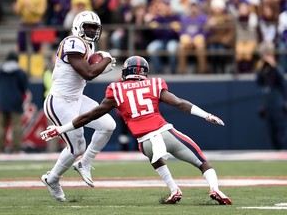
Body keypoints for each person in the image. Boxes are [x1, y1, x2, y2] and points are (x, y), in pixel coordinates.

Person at [40, 56, 232, 205]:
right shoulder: (154, 84)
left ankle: (174, 189)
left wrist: (60, 129)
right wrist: (205, 114)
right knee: (202, 163)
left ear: (126, 71)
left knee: (157, 160)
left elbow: (89, 116)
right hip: (165, 132)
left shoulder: (116, 90)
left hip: (144, 142)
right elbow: (179, 103)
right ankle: (215, 188)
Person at [40, 11, 117, 202]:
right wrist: (106, 60)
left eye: (94, 27)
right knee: (77, 146)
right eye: (87, 26)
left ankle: (85, 163)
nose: (91, 30)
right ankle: (52, 179)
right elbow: (88, 73)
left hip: (76, 98)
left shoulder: (89, 45)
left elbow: (89, 71)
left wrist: (100, 62)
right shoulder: (71, 41)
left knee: (108, 125)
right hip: (59, 101)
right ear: (77, 26)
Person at [256, 43, 287, 150]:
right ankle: (275, 153)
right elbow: (258, 81)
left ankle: (283, 152)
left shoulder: (277, 64)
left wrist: (274, 65)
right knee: (271, 133)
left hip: (278, 104)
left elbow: (282, 81)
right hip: (268, 104)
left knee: (281, 131)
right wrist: (259, 69)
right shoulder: (264, 68)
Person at [0, 51, 29, 153]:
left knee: (0, 127)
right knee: (16, 126)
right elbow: (24, 87)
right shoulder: (20, 72)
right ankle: (16, 150)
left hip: (1, 101)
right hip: (15, 102)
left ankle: (0, 150)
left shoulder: (0, 70)